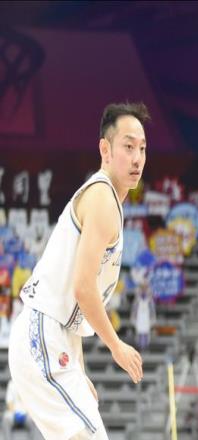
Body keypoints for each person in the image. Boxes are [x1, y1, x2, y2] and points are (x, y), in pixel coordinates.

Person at [8, 102, 149, 440]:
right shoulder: (101, 198)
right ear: (105, 149)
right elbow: (83, 288)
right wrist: (116, 346)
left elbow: (76, 309)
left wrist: (78, 367)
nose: (137, 158)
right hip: (42, 333)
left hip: (53, 337)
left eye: (143, 149)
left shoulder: (107, 200)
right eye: (128, 147)